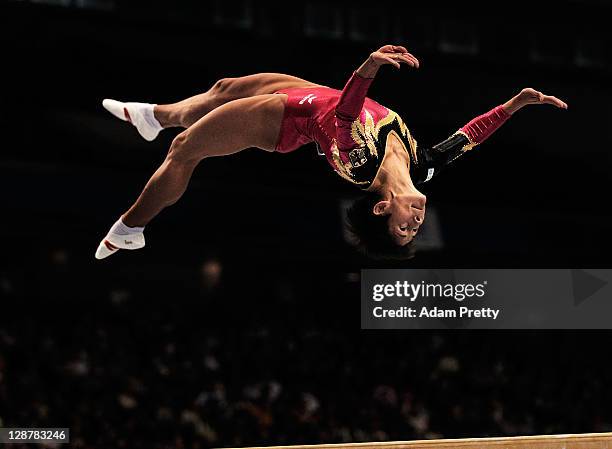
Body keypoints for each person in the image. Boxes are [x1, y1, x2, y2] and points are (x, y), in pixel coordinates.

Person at [95, 45, 567, 259]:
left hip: (284, 121)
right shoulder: (422, 168)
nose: (416, 224)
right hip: (314, 94)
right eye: (415, 230)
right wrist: (516, 103)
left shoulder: (358, 165)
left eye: (403, 227)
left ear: (382, 207)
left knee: (186, 150)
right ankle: (152, 116)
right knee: (221, 89)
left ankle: (130, 228)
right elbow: (470, 136)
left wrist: (368, 69)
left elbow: (344, 117)